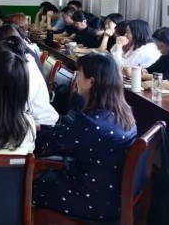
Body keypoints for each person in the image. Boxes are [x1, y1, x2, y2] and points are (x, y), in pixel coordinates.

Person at [34, 53, 137, 221]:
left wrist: (26, 129)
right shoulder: (122, 112)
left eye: (79, 73)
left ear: (91, 82)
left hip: (92, 198)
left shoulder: (92, 123)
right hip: (112, 193)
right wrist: (40, 127)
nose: (76, 78)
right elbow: (68, 134)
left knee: (33, 183)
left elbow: (52, 143)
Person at [0, 33, 59, 126]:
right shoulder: (22, 63)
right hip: (26, 119)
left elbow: (17, 109)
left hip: (41, 124)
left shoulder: (26, 72)